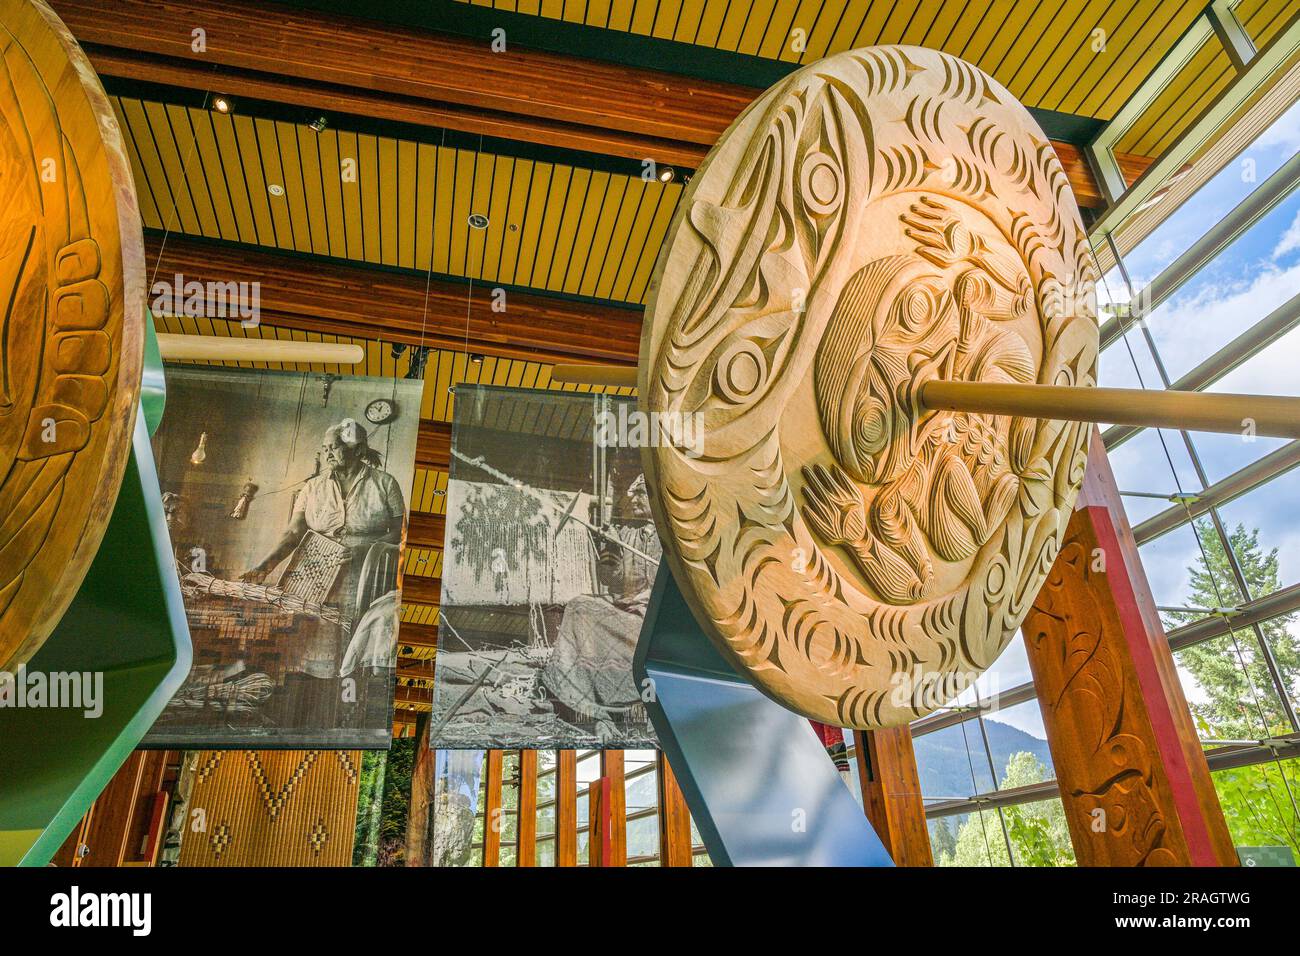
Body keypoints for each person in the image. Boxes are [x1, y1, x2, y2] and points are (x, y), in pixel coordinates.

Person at [242, 418, 405, 723]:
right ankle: (295, 716)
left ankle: (342, 717)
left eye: (337, 446)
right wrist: (262, 569)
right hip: (313, 576)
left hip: (364, 579)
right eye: (326, 447)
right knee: (304, 648)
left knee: (349, 651)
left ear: (357, 449)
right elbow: (293, 533)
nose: (329, 452)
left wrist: (363, 550)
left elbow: (399, 534)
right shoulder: (313, 487)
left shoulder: (385, 484)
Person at [541, 475, 661, 740]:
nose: (632, 498)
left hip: (658, 625)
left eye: (640, 492)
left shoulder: (673, 539)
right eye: (631, 493)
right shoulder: (626, 533)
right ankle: (598, 714)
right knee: (579, 607)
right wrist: (609, 547)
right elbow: (614, 580)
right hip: (628, 619)